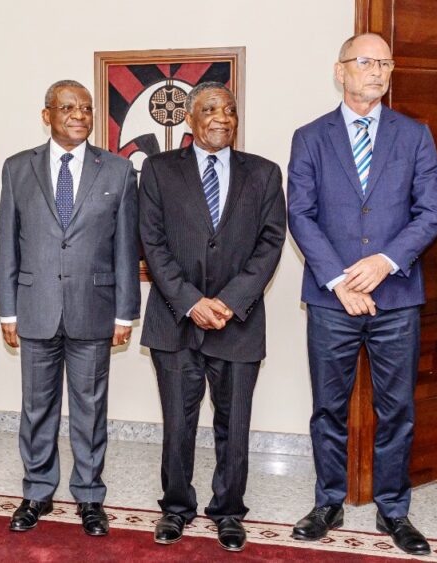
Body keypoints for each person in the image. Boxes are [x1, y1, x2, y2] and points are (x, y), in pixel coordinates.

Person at [285, 32, 437, 556]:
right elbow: (300, 215)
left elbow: (430, 213)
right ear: (341, 70)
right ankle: (328, 501)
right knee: (328, 408)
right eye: (366, 62)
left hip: (395, 295)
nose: (377, 72)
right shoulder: (310, 137)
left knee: (397, 409)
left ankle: (393, 511)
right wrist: (338, 280)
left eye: (385, 63)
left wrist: (383, 262)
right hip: (333, 300)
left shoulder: (414, 134)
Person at [138, 81, 285, 552]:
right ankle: (176, 508)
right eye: (210, 109)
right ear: (189, 118)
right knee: (177, 424)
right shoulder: (158, 171)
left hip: (237, 322)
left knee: (234, 424)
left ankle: (228, 511)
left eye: (230, 110)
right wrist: (191, 301)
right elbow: (153, 244)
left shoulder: (263, 173)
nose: (222, 117)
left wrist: (229, 300)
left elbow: (270, 243)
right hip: (175, 320)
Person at [0, 80, 140, 537]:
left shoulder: (117, 171)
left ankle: (90, 496)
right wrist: (8, 311)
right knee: (36, 407)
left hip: (93, 310)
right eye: (68, 108)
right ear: (47, 115)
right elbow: (7, 244)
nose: (79, 115)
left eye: (86, 108)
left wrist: (124, 313)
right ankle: (37, 491)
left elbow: (125, 246)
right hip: (34, 306)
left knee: (89, 408)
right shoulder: (17, 168)